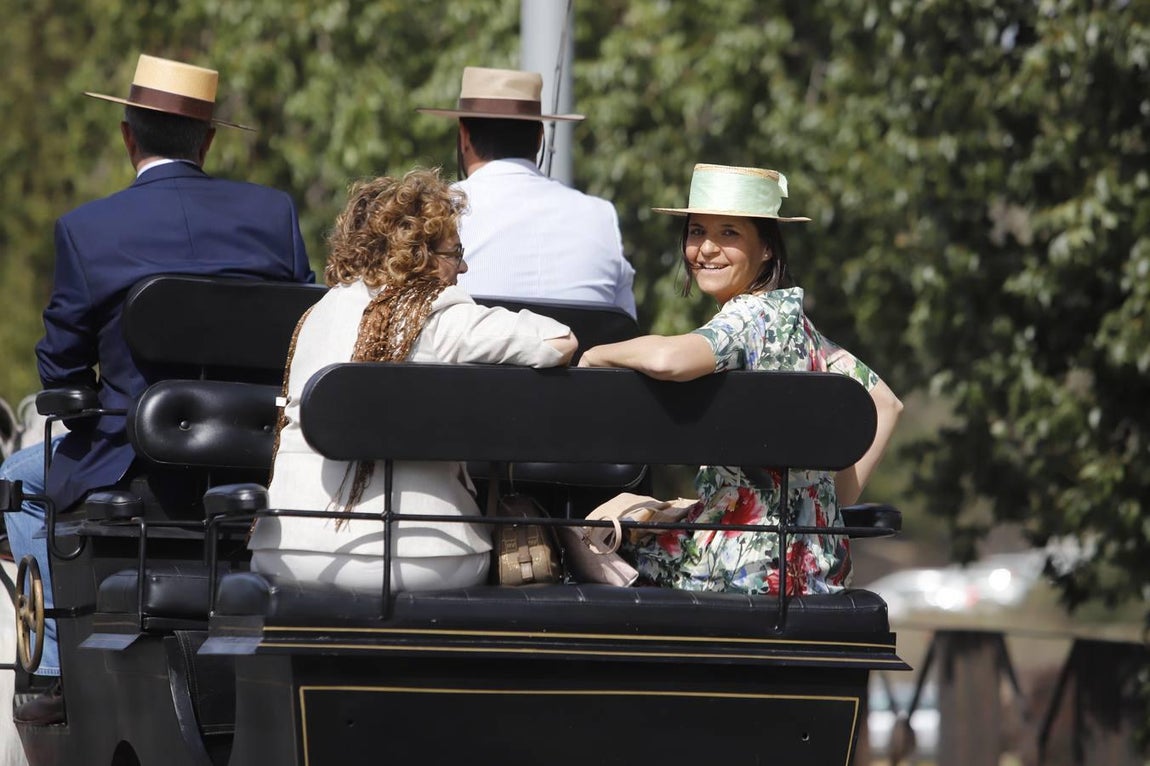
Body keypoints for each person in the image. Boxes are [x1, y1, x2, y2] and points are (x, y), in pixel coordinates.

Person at [1, 53, 315, 725]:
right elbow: (299, 337)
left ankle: (51, 668)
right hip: (252, 461)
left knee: (18, 479)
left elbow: (58, 370)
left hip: (132, 462)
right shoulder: (273, 215)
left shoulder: (88, 230)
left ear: (127, 136)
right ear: (207, 140)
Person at [578, 163, 903, 596]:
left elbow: (669, 359)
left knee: (585, 539)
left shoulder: (747, 319)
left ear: (767, 248)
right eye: (696, 232)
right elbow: (885, 402)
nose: (706, 249)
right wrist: (833, 502)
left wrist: (596, 353)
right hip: (817, 560)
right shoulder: (797, 327)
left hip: (741, 560)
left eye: (728, 233)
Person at [247, 168, 577, 593]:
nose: (464, 266)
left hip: (285, 550)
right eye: (455, 251)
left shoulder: (317, 314)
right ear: (420, 254)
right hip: (420, 556)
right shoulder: (438, 314)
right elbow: (558, 341)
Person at [417, 66, 637, 318]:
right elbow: (625, 328)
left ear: (464, 135)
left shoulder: (432, 212)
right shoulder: (601, 215)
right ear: (540, 137)